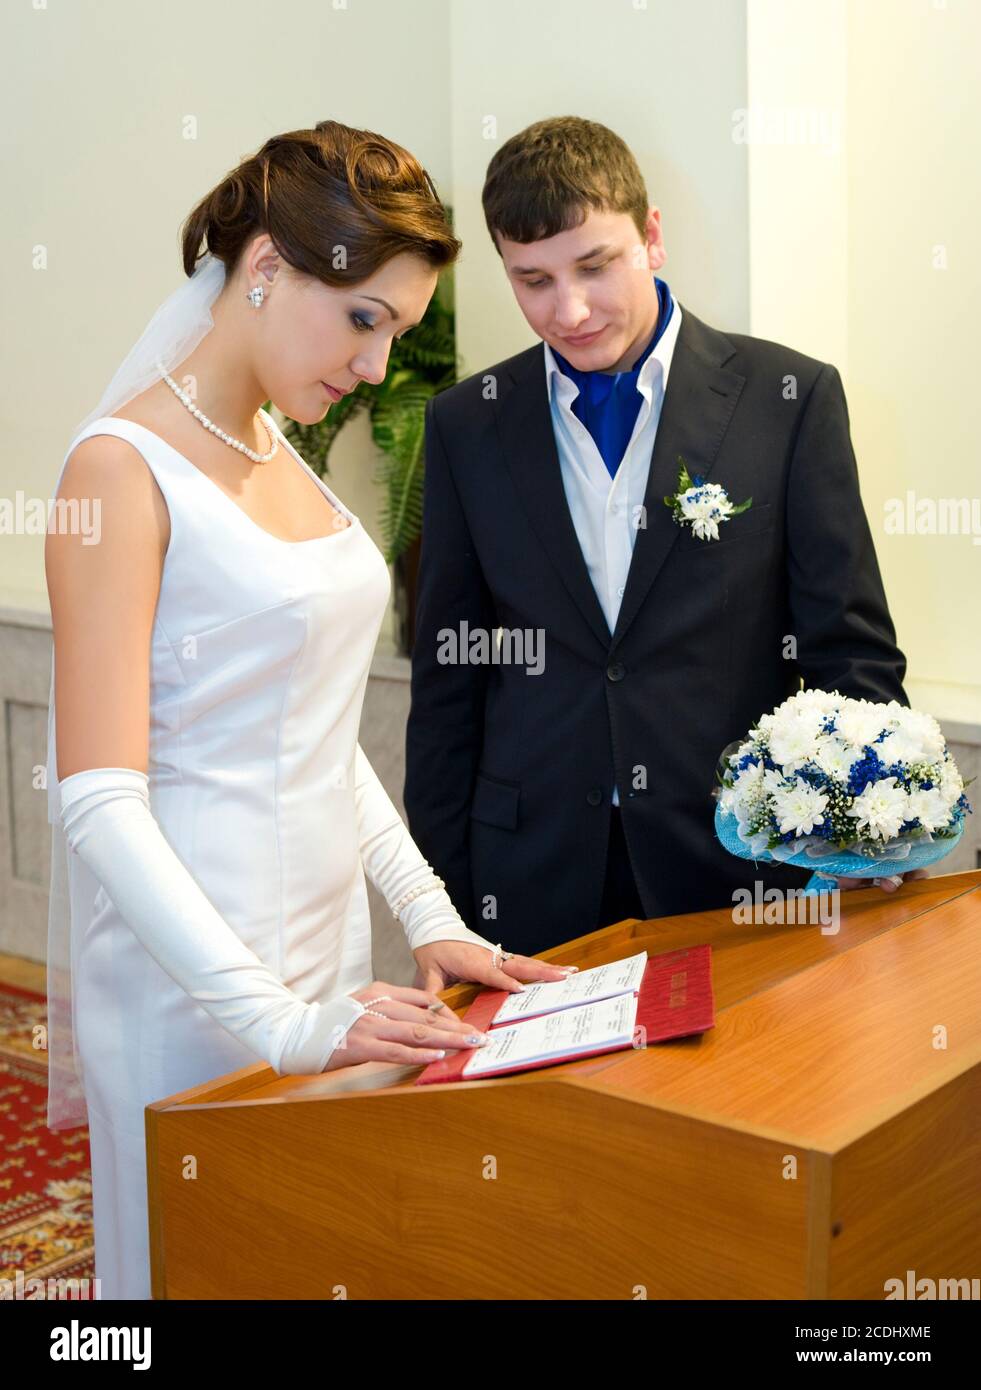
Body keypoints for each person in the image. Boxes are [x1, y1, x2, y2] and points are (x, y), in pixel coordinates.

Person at [44, 120, 573, 1300]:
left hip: (325, 955)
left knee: (313, 1253)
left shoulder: (279, 447)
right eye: (367, 321)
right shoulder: (116, 471)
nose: (379, 369)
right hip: (191, 970)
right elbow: (95, 797)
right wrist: (275, 1023)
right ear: (271, 267)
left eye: (397, 331)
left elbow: (319, 733)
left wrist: (431, 919)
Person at [404, 115, 922, 960]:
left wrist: (871, 826)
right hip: (527, 873)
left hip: (738, 867)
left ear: (650, 238)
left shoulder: (786, 400)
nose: (567, 311)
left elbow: (847, 649)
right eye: (531, 280)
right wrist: (438, 902)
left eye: (594, 267)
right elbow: (448, 680)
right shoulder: (467, 423)